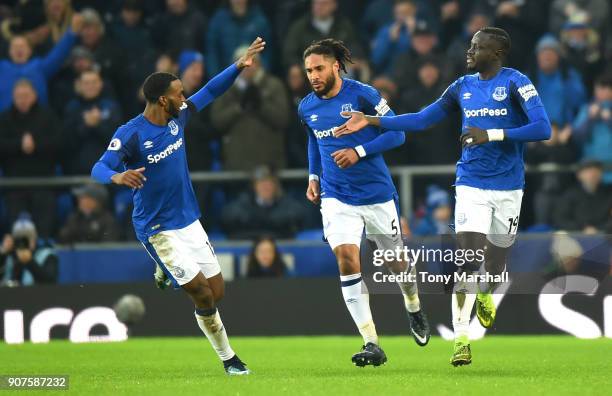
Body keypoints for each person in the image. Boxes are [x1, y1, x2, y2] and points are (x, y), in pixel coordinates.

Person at [336, 27, 552, 366]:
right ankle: (462, 339)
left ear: (496, 53)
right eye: (470, 45)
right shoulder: (461, 87)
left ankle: (486, 294)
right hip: (471, 183)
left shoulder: (516, 82)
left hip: (509, 187)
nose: (469, 51)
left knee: (494, 267)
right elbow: (422, 120)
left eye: (477, 47)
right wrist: (372, 120)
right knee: (468, 259)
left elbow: (543, 128)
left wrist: (491, 134)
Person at [91, 37, 265, 376]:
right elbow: (98, 167)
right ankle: (230, 359)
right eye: (179, 94)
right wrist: (117, 177)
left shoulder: (178, 118)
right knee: (200, 293)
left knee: (216, 292)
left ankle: (164, 271)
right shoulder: (131, 133)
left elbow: (211, 92)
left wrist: (238, 66)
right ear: (161, 100)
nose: (184, 98)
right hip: (156, 227)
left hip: (188, 219)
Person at [300, 39, 430, 367]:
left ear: (334, 66)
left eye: (318, 68)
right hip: (336, 196)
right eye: (308, 71)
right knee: (346, 258)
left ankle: (413, 306)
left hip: (375, 195)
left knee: (397, 264)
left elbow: (398, 134)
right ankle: (371, 341)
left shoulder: (364, 95)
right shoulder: (306, 106)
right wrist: (313, 176)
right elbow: (315, 140)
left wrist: (359, 151)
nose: (313, 76)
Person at [0, 79, 62, 238]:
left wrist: (36, 145)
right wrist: (19, 145)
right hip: (14, 185)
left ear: (34, 96)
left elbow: (59, 143)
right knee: (17, 229)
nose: (23, 100)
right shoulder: (4, 118)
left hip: (44, 183)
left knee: (44, 229)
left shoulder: (48, 116)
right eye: (19, 96)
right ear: (13, 97)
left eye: (26, 95)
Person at [211, 46, 289, 171]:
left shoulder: (274, 85)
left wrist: (261, 105)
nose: (247, 66)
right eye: (242, 62)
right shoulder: (225, 88)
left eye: (252, 61)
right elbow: (217, 122)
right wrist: (238, 108)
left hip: (269, 165)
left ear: (259, 64)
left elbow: (282, 119)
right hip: (236, 164)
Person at [0, 12, 82, 112]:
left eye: (22, 47)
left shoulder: (39, 66)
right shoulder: (2, 67)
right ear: (9, 52)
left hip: (37, 122)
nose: (19, 50)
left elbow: (58, 55)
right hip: (5, 122)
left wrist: (71, 33)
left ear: (29, 51)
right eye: (15, 47)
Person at [220, 165, 306, 239]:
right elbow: (227, 217)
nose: (266, 187)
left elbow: (298, 218)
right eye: (262, 183)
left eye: (269, 183)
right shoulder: (242, 203)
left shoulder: (287, 205)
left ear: (276, 186)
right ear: (254, 186)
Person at [63, 69, 123, 175]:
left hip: (108, 171)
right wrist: (86, 126)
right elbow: (67, 142)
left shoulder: (111, 107)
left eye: (94, 82)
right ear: (79, 85)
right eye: (86, 83)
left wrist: (98, 125)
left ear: (101, 84)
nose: (90, 86)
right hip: (78, 171)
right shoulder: (72, 108)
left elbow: (118, 141)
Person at [573, 73, 612, 183]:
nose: (606, 92)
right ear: (596, 89)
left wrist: (609, 120)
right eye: (602, 87)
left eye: (609, 88)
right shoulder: (586, 110)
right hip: (591, 171)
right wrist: (590, 119)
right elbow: (577, 138)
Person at [553, 160, 612, 233]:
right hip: (577, 235)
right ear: (579, 175)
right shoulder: (569, 195)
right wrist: (582, 229)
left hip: (605, 235)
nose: (593, 174)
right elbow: (560, 219)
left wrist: (598, 229)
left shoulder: (609, 193)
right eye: (588, 171)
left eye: (596, 171)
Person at [0, 215, 58, 287]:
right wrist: (3, 254)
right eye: (20, 238)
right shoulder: (11, 257)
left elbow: (51, 281)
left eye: (27, 238)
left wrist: (30, 262)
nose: (24, 243)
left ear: (35, 238)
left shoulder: (47, 255)